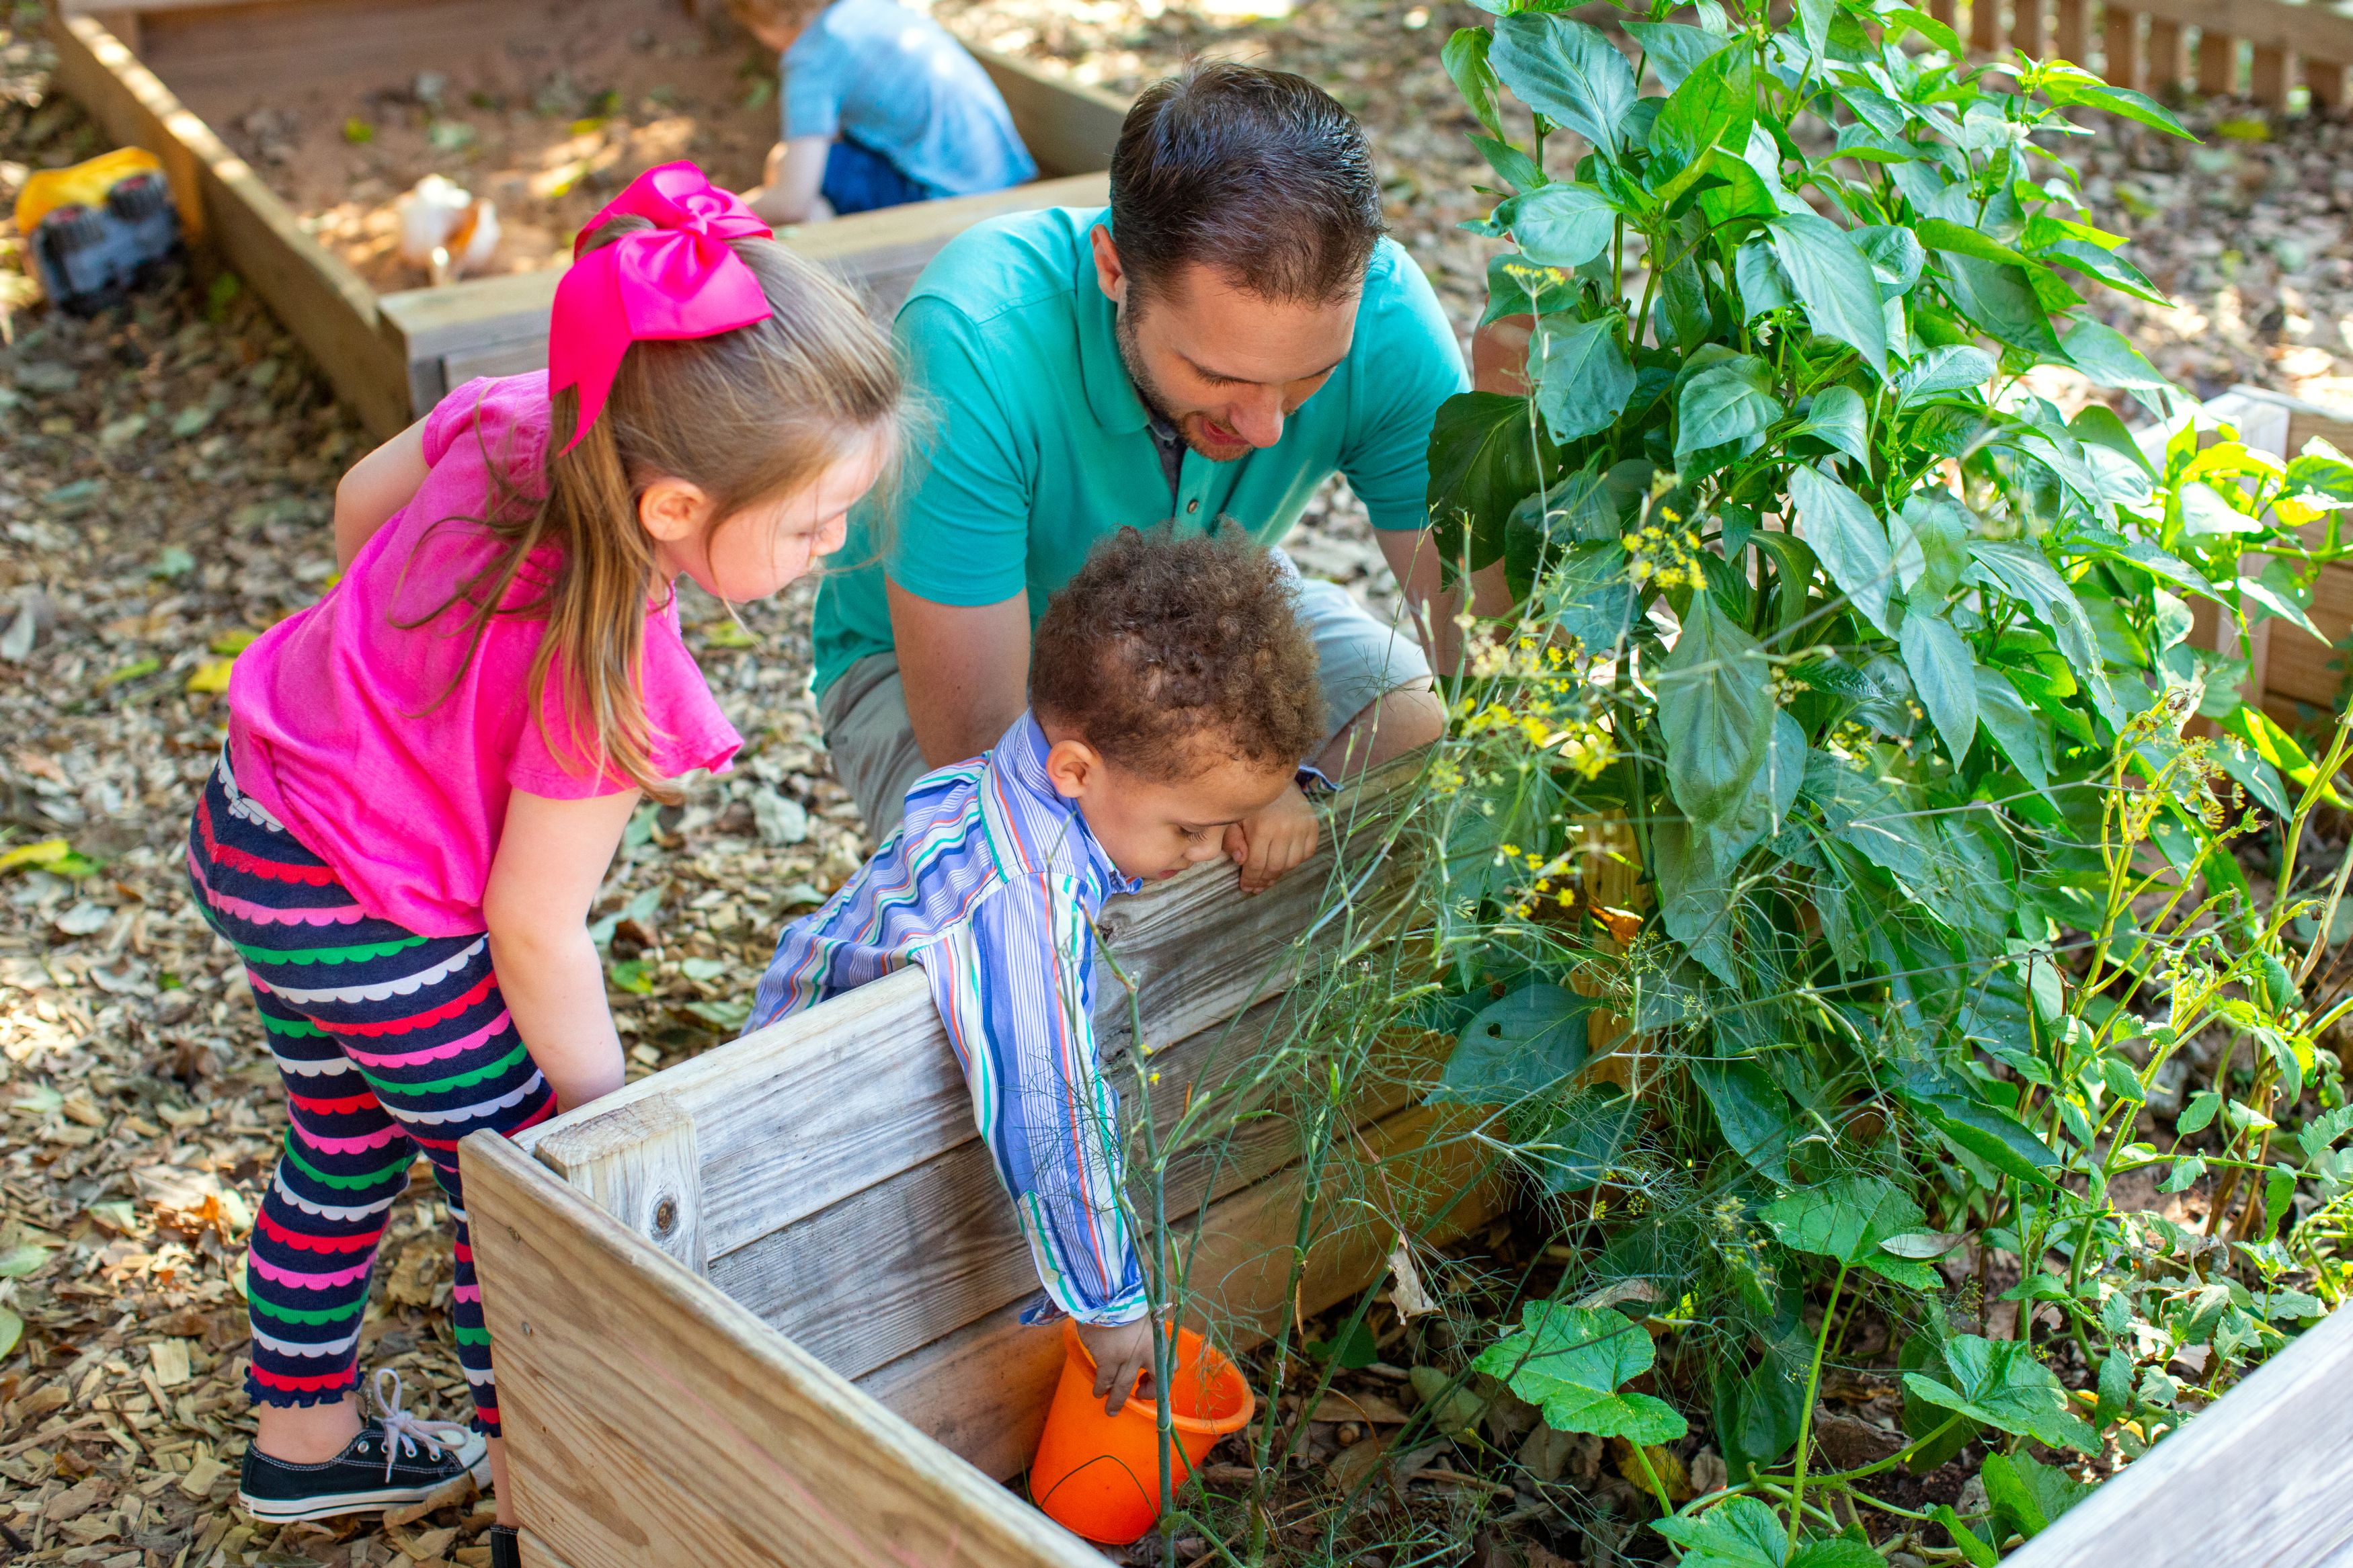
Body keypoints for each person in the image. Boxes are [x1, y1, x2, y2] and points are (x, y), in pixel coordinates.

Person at [184, 163, 900, 1559]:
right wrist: (597, 1112)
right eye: (813, 525)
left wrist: (403, 683)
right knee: (509, 1189)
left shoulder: (530, 416)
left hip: (261, 828)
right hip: (384, 921)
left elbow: (358, 506)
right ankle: (539, 1500)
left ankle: (303, 1441)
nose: (832, 548)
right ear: (674, 506)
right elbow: (533, 926)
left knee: (339, 1131)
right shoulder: (612, 661)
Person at [809, 60, 1513, 863]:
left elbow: (1484, 650)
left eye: (1308, 377)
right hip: (945, 663)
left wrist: (1514, 426)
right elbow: (979, 746)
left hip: (1203, 627)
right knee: (1056, 875)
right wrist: (1234, 790)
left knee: (1414, 747)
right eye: (1217, 376)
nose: (1265, 427)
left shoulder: (1385, 315)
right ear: (1113, 268)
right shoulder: (973, 338)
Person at [750, 525, 1326, 1413]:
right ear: (1076, 769)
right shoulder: (1022, 895)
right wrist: (1110, 1305)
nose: (1211, 850)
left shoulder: (1043, 784)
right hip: (792, 1151)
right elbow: (1048, 1106)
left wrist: (1271, 796)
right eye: (1190, 829)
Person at [728, 0, 1036, 226]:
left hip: (950, 197)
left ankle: (838, 264)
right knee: (808, 168)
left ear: (761, 19)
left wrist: (717, 217)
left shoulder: (813, 56)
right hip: (999, 175)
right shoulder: (869, 9)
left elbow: (791, 202)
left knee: (795, 183)